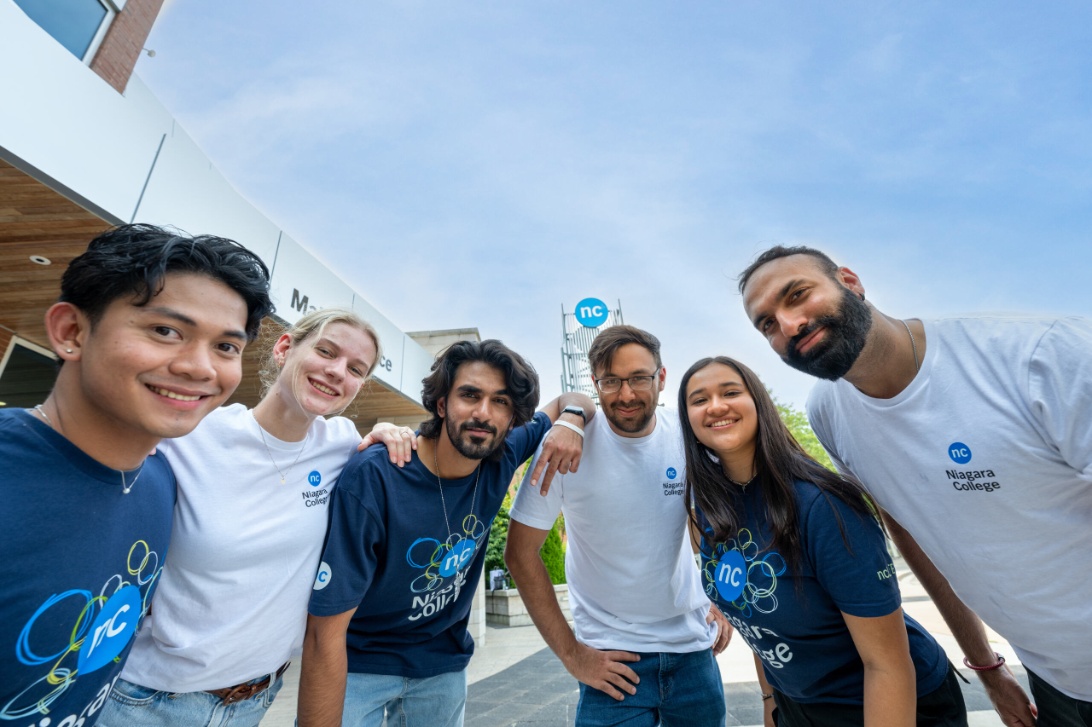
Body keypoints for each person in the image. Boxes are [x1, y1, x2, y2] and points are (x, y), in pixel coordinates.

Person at [739, 244, 1092, 727]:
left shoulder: (1042, 357)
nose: (790, 324)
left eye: (798, 294)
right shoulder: (829, 411)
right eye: (767, 324)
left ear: (850, 280)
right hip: (1055, 683)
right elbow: (910, 531)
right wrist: (986, 665)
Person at [0, 224, 273, 726]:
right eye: (166, 331)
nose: (199, 368)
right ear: (71, 332)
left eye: (226, 347)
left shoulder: (159, 483)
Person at [98, 307, 415, 726]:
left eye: (356, 368)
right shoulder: (191, 438)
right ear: (284, 348)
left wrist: (396, 430)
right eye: (326, 351)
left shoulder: (344, 447)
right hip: (148, 702)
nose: (338, 371)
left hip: (255, 702)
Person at [298, 338, 594, 727]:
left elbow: (576, 400)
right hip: (360, 664)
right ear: (442, 404)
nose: (483, 413)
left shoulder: (500, 457)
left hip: (442, 667)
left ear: (512, 417)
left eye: (500, 402)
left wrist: (571, 419)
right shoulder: (376, 477)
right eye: (469, 395)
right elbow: (323, 631)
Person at [680, 355, 968, 726]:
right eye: (699, 399)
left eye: (731, 392)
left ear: (758, 404)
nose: (716, 406)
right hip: (798, 703)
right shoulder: (711, 510)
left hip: (885, 701)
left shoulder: (824, 506)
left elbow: (888, 664)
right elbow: (757, 618)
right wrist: (772, 702)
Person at [506, 325, 731, 727]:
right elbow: (520, 554)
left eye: (639, 378)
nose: (626, 394)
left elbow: (710, 527)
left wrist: (722, 598)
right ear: (595, 383)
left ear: (661, 378)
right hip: (611, 662)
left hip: (693, 653)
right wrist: (572, 655)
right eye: (611, 381)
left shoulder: (689, 437)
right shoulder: (563, 447)